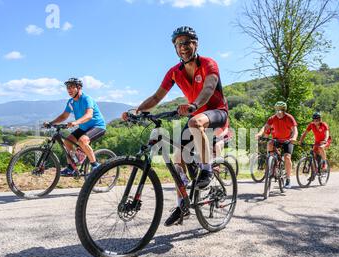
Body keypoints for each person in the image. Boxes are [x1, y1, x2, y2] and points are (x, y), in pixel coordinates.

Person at [122, 26, 229, 226]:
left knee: (195, 121)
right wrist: (136, 111)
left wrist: (194, 105)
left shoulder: (208, 63)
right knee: (177, 158)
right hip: (195, 116)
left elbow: (209, 87)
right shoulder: (174, 72)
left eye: (187, 42)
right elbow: (156, 97)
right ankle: (183, 207)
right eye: (179, 43)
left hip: (216, 114)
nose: (183, 47)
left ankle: (206, 170)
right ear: (175, 48)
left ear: (195, 44)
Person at [47, 78, 107, 176]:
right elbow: (64, 116)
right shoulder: (71, 102)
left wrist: (76, 122)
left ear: (78, 88)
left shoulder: (86, 99)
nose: (69, 90)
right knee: (67, 141)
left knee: (83, 141)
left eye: (71, 87)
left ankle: (95, 166)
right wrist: (51, 123)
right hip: (84, 128)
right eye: (67, 88)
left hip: (97, 126)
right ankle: (71, 167)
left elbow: (89, 115)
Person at [256, 101, 298, 189]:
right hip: (277, 139)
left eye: (281, 110)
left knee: (287, 157)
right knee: (270, 143)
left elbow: (295, 130)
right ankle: (271, 164)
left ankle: (288, 179)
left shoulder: (289, 117)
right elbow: (265, 127)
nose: (279, 112)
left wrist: (294, 138)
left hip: (287, 140)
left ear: (284, 110)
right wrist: (259, 134)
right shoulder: (272, 118)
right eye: (277, 110)